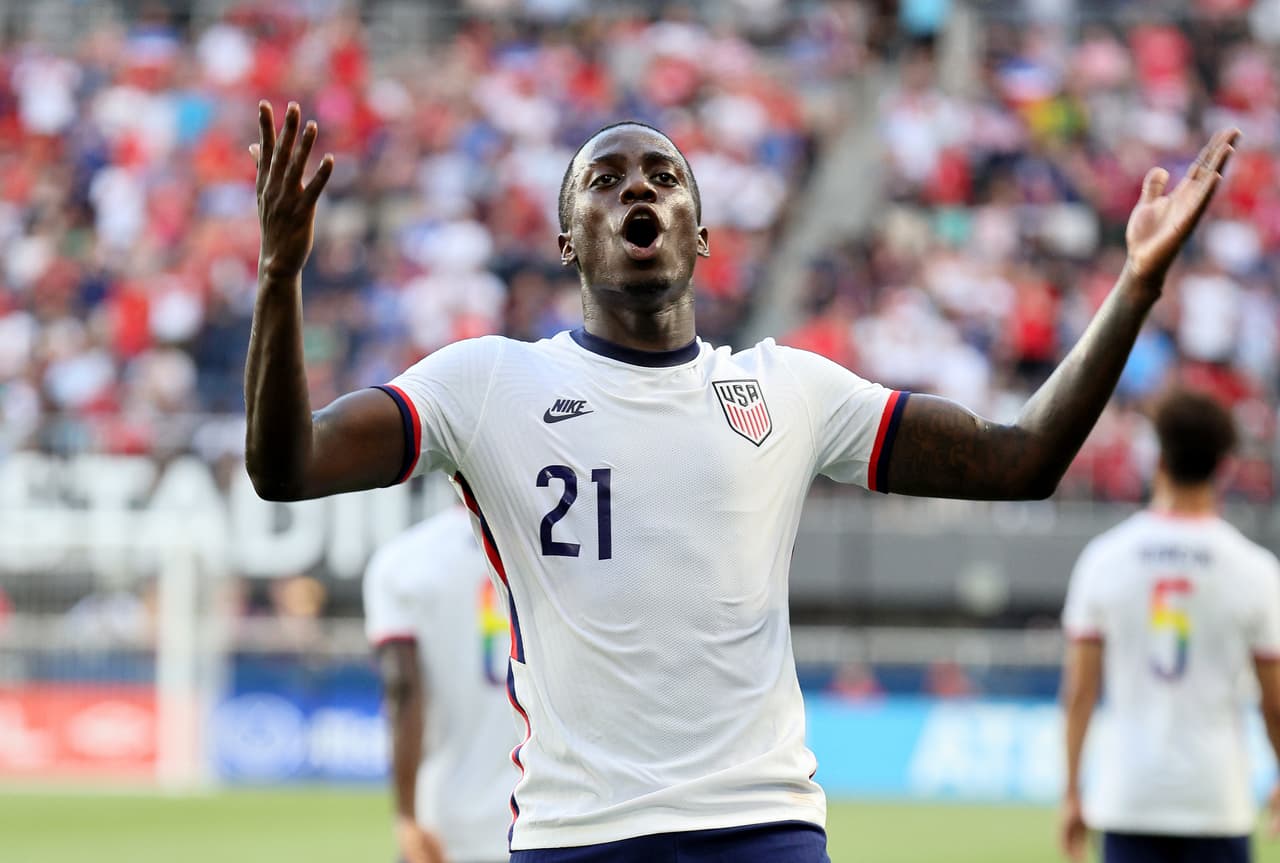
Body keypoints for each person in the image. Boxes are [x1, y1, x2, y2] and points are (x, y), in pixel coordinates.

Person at [246, 98, 1237, 861]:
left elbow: (1021, 459)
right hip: (574, 833)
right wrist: (280, 279)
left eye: (662, 175)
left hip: (759, 826)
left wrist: (1135, 284)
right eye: (603, 179)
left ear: (700, 233)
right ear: (566, 242)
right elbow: (287, 465)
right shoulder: (487, 382)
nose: (636, 189)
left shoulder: (785, 389)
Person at [1059, 389, 1280, 863]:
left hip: (1129, 798)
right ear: (1224, 466)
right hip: (1216, 801)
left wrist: (1072, 793)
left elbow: (1080, 691)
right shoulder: (1254, 569)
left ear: (1158, 459)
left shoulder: (1105, 559)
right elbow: (1275, 702)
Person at [364, 503, 516, 863]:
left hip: (449, 823)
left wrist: (405, 815)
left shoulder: (404, 561)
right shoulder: (560, 548)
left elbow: (402, 689)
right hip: (549, 816)